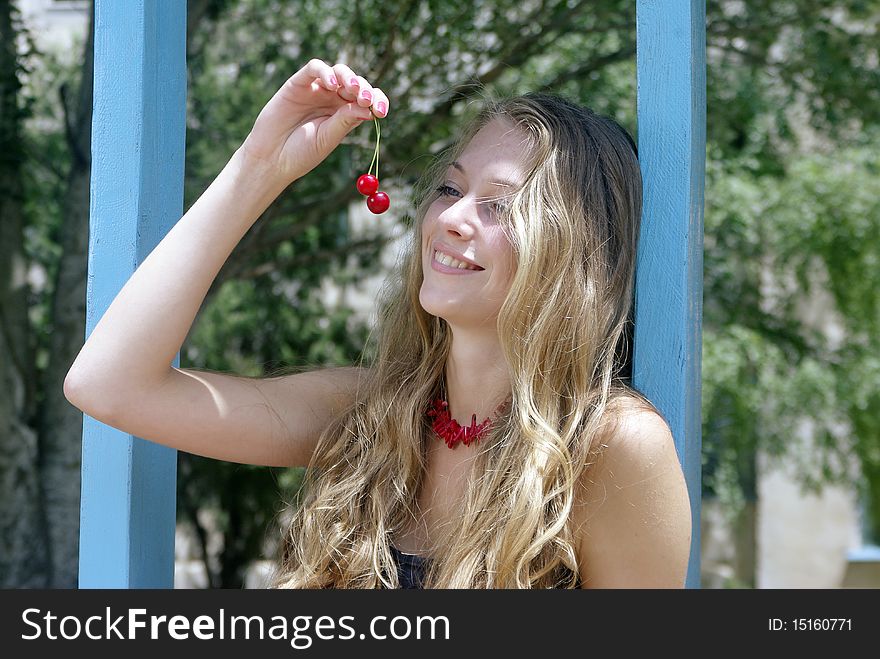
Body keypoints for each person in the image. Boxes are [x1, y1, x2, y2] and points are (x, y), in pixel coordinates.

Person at [64, 58, 692, 589]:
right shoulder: (370, 412)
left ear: (574, 250)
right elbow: (109, 384)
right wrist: (261, 165)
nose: (450, 220)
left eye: (500, 205)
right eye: (450, 189)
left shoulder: (611, 448)